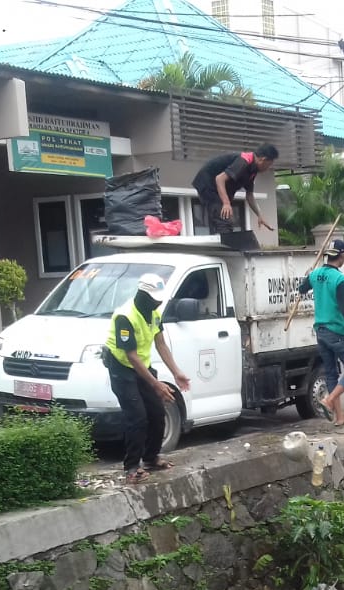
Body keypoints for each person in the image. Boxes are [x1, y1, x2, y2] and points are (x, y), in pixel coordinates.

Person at [103, 273, 191, 484]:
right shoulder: (125, 316)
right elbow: (130, 356)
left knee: (157, 411)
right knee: (137, 416)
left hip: (142, 366)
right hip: (121, 368)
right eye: (155, 298)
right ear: (143, 294)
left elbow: (160, 344)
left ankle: (151, 458)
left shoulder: (153, 314)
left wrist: (176, 372)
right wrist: (156, 384)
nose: (159, 301)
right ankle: (132, 467)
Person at [299, 238, 344, 426]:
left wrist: (308, 275)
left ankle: (340, 417)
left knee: (331, 374)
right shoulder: (340, 279)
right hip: (337, 332)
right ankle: (329, 400)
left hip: (321, 332)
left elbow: (301, 289)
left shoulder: (315, 275)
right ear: (343, 256)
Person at [190, 144, 278, 234]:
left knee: (227, 217)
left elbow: (249, 195)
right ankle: (227, 245)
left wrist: (260, 215)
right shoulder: (244, 161)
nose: (268, 168)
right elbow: (219, 179)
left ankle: (224, 240)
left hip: (222, 188)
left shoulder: (252, 171)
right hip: (208, 184)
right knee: (223, 218)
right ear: (262, 159)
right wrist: (226, 203)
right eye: (269, 164)